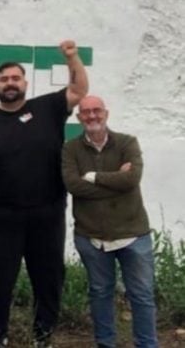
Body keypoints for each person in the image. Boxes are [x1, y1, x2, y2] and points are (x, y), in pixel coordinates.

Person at [0, 40, 88, 347]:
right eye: (4, 79)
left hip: (46, 214)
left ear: (25, 82)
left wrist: (71, 58)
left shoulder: (48, 108)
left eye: (15, 78)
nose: (10, 84)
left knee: (48, 280)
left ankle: (43, 336)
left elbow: (79, 89)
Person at [62, 95, 157, 348]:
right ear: (79, 117)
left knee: (142, 296)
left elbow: (132, 180)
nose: (92, 116)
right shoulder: (70, 149)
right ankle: (106, 344)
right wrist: (116, 181)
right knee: (100, 294)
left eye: (97, 111)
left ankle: (147, 345)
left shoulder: (127, 143)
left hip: (133, 235)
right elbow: (73, 185)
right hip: (91, 237)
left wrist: (92, 176)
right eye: (86, 112)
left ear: (106, 113)